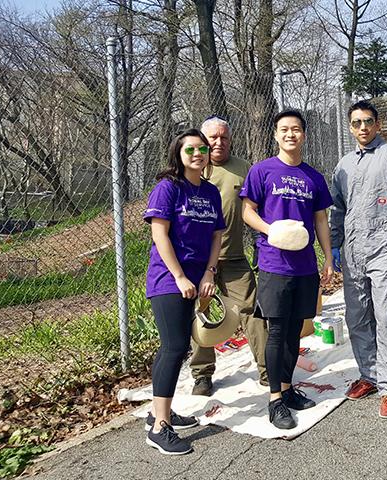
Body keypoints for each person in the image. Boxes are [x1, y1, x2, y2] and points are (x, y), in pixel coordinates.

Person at [240, 110, 334, 429]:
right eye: (284, 129)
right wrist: (270, 231)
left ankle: (288, 388)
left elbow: (321, 219)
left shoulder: (313, 177)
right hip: (273, 263)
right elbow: (247, 211)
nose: (290, 134)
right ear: (276, 135)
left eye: (296, 129)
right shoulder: (262, 171)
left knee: (296, 330)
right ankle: (274, 399)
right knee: (277, 331)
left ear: (303, 135)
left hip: (305, 265)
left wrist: (329, 260)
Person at [329, 100, 387, 419]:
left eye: (368, 121)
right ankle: (369, 374)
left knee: (386, 316)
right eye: (356, 122)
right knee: (357, 316)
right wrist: (336, 245)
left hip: (385, 246)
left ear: (377, 124)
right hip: (353, 251)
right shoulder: (343, 165)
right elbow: (337, 208)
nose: (362, 127)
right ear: (351, 127)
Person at [143, 128, 226, 455]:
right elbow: (159, 235)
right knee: (175, 347)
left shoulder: (210, 192)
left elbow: (217, 236)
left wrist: (209, 272)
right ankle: (160, 428)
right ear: (178, 154)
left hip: (198, 278)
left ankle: (157, 411)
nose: (197, 154)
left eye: (202, 149)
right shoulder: (168, 188)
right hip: (168, 279)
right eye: (190, 149)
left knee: (175, 348)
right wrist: (179, 276)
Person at [188, 116, 268, 396]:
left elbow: (257, 209)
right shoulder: (193, 168)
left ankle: (268, 369)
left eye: (224, 137)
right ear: (203, 140)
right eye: (213, 138)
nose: (219, 142)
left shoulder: (243, 169)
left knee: (251, 310)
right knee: (201, 313)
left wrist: (262, 242)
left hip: (233, 258)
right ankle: (202, 375)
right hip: (197, 262)